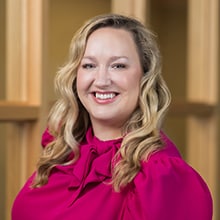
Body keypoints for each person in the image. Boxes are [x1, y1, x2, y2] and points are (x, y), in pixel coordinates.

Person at [12, 13, 213, 220]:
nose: (101, 80)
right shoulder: (62, 152)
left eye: (118, 65)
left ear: (145, 77)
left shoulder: (161, 177)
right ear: (75, 76)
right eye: (89, 65)